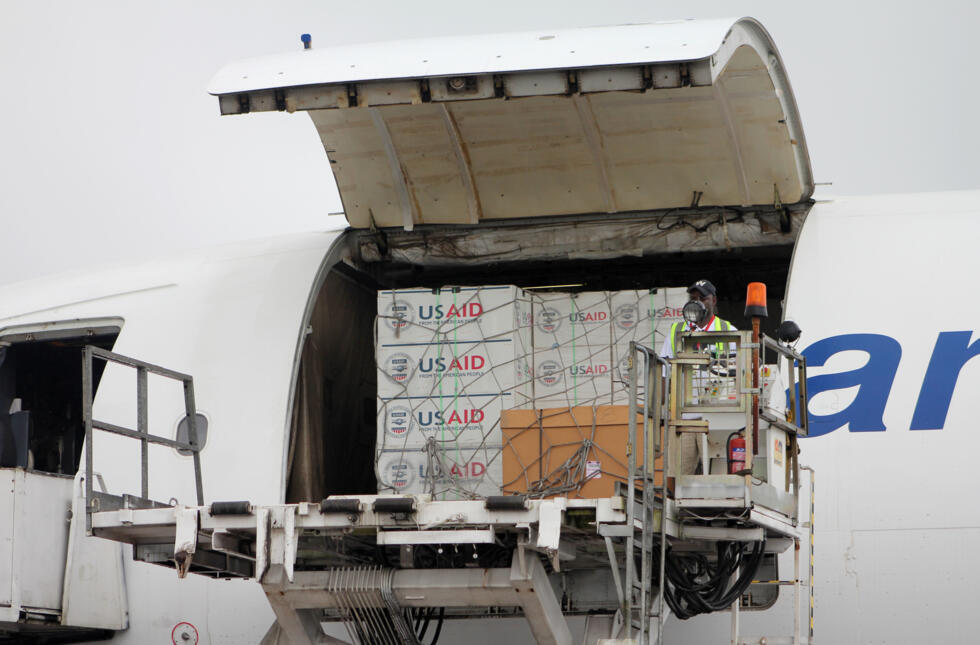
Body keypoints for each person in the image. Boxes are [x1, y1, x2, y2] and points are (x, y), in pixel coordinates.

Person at [659, 279, 736, 360]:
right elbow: (665, 367)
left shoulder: (728, 330)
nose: (697, 303)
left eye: (702, 299)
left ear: (714, 301)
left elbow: (736, 367)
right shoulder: (675, 331)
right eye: (693, 298)